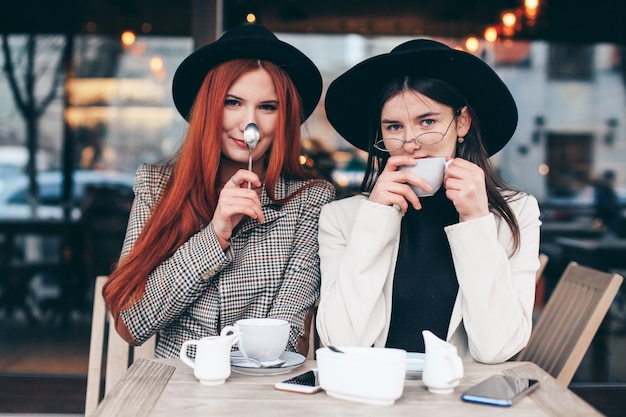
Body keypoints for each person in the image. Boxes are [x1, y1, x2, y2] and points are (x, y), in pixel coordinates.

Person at [103, 24, 335, 358]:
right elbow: (131, 324)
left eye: (268, 107)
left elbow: (288, 335)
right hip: (175, 393)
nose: (248, 123)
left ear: (284, 118)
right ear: (208, 108)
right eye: (233, 102)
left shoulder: (309, 200)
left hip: (258, 396)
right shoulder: (157, 187)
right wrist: (215, 235)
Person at [316, 39, 541, 364]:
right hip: (370, 396)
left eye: (428, 122)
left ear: (461, 123)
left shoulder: (516, 213)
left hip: (457, 401)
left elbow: (497, 349)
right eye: (394, 126)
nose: (410, 143)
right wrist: (376, 216)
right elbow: (340, 342)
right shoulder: (342, 218)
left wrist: (477, 220)